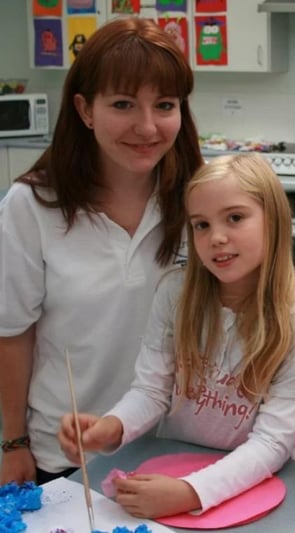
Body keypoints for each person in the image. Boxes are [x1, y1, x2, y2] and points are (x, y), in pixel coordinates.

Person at [58, 154, 295, 518]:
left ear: (275, 220)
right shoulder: (175, 293)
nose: (216, 238)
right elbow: (151, 391)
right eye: (201, 225)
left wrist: (192, 492)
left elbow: (272, 442)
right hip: (168, 462)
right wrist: (112, 427)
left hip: (250, 483)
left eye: (235, 218)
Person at [0, 17, 204, 485]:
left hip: (175, 448)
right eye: (123, 104)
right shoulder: (32, 206)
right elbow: (12, 332)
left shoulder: (198, 197)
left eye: (165, 105)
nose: (148, 126)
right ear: (85, 109)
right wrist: (13, 443)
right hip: (70, 450)